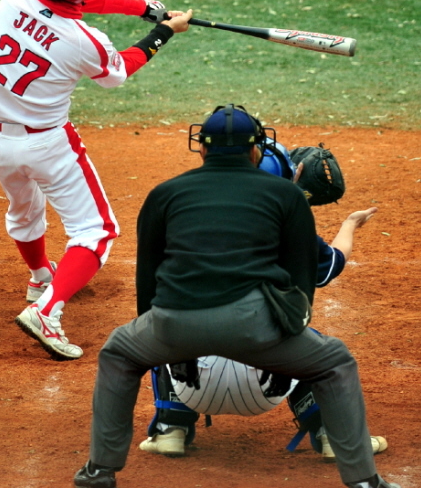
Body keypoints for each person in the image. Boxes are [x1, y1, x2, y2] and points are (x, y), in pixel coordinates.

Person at [74, 105, 403, 488]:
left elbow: (149, 278)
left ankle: (100, 471)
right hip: (256, 327)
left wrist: (160, 342)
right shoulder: (286, 195)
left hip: (173, 323)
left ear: (201, 151)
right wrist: (290, 333)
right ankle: (365, 486)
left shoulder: (165, 193)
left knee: (119, 353)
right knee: (333, 360)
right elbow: (302, 282)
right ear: (255, 151)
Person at [0, 0, 191, 361]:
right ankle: (46, 310)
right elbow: (119, 71)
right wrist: (162, 31)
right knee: (97, 231)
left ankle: (41, 277)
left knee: (24, 209)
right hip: (47, 144)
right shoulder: (84, 42)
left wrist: (139, 5)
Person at [139, 137, 387, 461]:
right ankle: (333, 435)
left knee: (165, 322)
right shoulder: (292, 229)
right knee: (310, 341)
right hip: (268, 384)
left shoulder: (185, 219)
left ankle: (170, 429)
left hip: (192, 385)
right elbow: (332, 265)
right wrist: (350, 224)